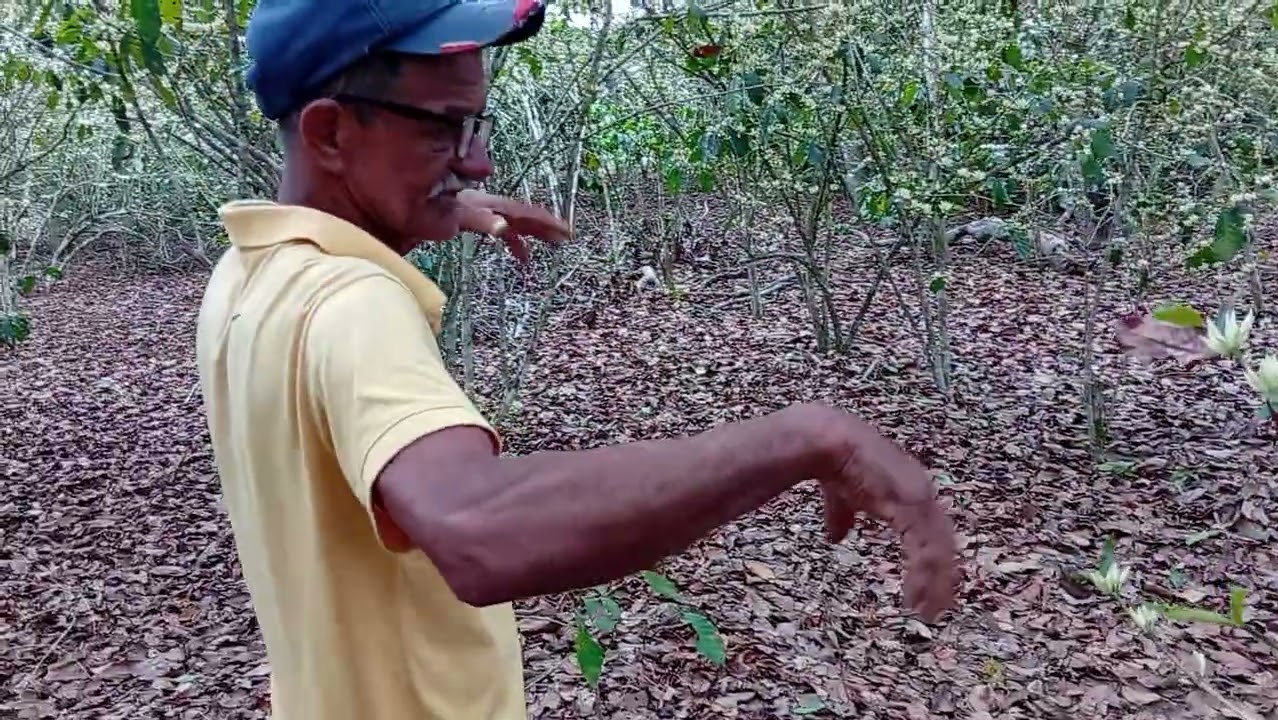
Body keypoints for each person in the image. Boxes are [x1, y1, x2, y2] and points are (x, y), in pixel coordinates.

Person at [194, 1, 960, 718]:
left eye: (477, 125)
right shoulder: (355, 307)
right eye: (446, 129)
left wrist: (447, 209)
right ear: (330, 134)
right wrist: (807, 438)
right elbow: (476, 527)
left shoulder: (251, 273)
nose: (481, 162)